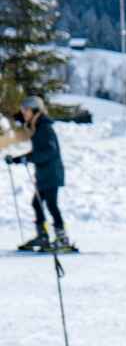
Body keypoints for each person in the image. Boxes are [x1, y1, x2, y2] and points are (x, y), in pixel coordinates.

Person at [4, 96, 70, 252]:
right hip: (44, 174)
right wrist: (18, 159)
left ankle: (63, 238)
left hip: (52, 173)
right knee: (37, 203)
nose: (24, 113)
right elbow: (37, 152)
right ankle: (43, 236)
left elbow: (50, 151)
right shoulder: (37, 127)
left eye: (26, 110)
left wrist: (28, 158)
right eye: (23, 111)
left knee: (51, 204)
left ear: (35, 111)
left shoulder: (45, 128)